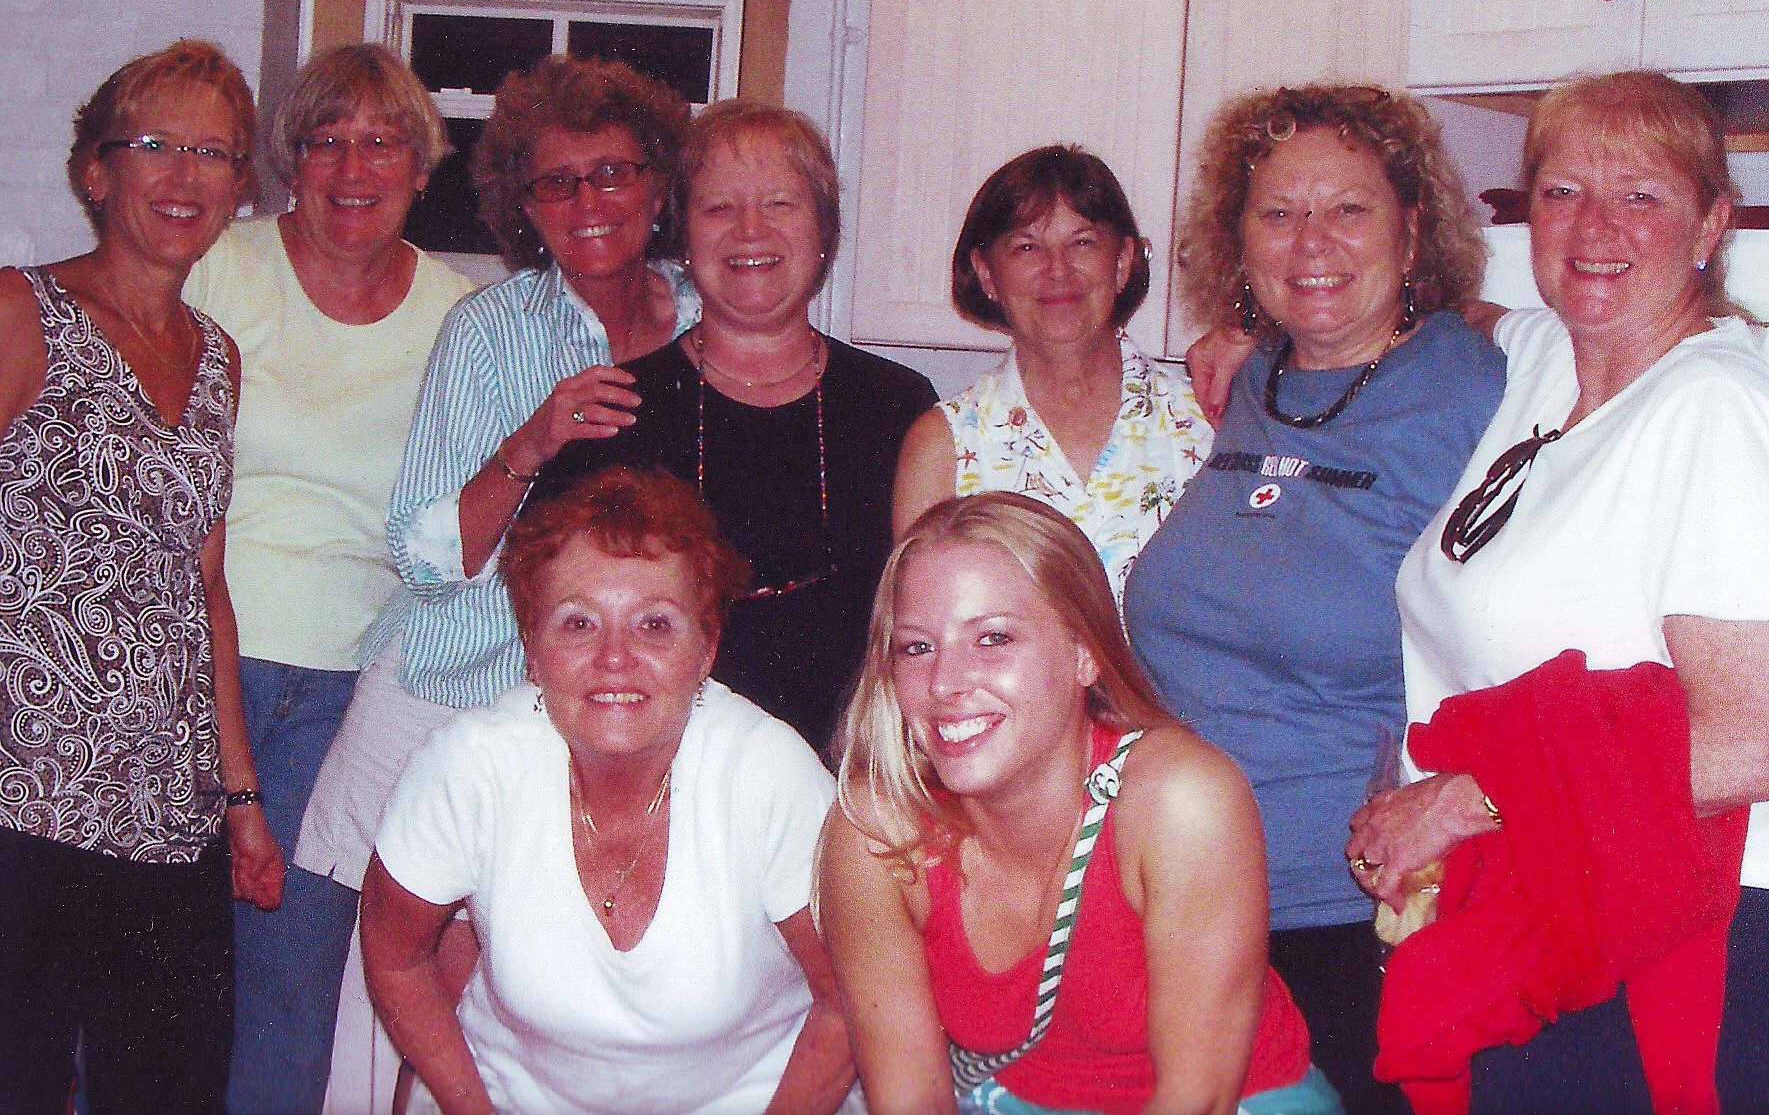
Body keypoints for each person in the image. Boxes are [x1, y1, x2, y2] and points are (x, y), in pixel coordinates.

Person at [1350, 70, 1769, 1115]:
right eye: (1558, 193)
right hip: (1539, 897)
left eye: (1641, 197)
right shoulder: (1551, 355)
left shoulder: (1715, 408)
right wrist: (1254, 338)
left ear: (1710, 222)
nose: (1592, 228)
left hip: (1674, 928)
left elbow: (1751, 741)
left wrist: (1457, 802)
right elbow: (1468, 304)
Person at [293, 54, 699, 1109]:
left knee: (544, 996)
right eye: (554, 182)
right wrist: (533, 439)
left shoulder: (712, 321)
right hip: (453, 692)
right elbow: (424, 560)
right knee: (411, 994)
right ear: (522, 202)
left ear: (657, 183)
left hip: (614, 706)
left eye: (610, 173)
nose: (587, 202)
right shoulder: (489, 331)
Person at [1121, 84, 1505, 1114]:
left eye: (1348, 210)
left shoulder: (1485, 386)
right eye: (1277, 212)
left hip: (1350, 917)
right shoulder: (1252, 378)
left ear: (1411, 226)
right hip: (1174, 902)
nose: (1310, 242)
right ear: (1235, 236)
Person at [178, 41, 477, 1113]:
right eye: (326, 141)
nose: (354, 167)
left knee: (288, 994)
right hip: (182, 670)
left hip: (342, 695)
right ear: (289, 164)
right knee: (147, 975)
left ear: (420, 165)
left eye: (381, 141)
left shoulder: (457, 317)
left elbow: (460, 530)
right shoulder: (220, 266)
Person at [821, 492, 1334, 1115]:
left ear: (1085, 652)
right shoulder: (878, 831)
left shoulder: (1181, 801)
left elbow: (1197, 1101)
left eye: (992, 638)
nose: (946, 685)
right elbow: (911, 1102)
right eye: (916, 647)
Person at [361, 465, 852, 1114]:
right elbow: (394, 957)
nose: (614, 657)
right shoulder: (471, 765)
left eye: (654, 624)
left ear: (705, 649)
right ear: (531, 650)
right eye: (577, 623)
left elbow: (851, 997)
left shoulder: (768, 774)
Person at [0, 39, 280, 1111]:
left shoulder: (216, 356)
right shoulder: (21, 312)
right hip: (22, 800)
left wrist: (242, 800)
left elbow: (202, 585)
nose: (183, 175)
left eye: (213, 154)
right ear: (94, 171)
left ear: (238, 191)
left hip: (168, 817)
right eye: (154, 143)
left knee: (167, 1090)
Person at [533, 99, 936, 759]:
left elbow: (926, 626)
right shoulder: (616, 411)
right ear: (684, 239)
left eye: (779, 204)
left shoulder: (898, 407)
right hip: (657, 781)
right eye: (719, 208)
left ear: (824, 231)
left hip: (853, 781)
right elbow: (554, 628)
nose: (750, 231)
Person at [892, 145, 1211, 603]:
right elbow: (923, 627)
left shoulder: (1208, 415)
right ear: (986, 274)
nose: (1057, 270)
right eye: (1026, 247)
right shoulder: (944, 446)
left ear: (1122, 261)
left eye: (1082, 242)